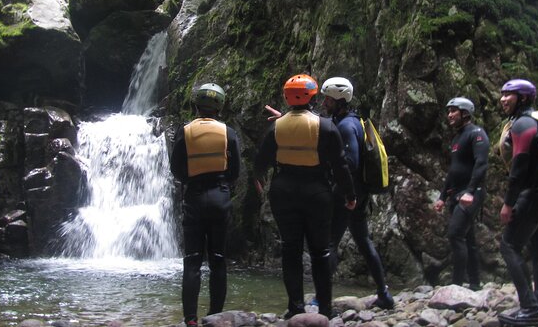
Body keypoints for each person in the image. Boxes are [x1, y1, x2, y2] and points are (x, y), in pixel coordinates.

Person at [254, 74, 356, 319]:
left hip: (283, 191)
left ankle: (295, 308)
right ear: (312, 96)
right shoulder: (325, 126)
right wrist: (350, 195)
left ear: (287, 97)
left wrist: (258, 180)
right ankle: (325, 310)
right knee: (320, 251)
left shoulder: (276, 127)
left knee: (291, 249)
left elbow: (260, 162)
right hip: (316, 192)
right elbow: (341, 166)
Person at [169, 83, 241, 326]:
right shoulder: (228, 133)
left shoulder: (184, 131)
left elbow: (176, 169)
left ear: (196, 105)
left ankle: (190, 319)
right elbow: (235, 171)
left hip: (194, 198)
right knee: (218, 259)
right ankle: (214, 316)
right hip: (220, 197)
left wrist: (191, 179)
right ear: (220, 106)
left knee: (192, 260)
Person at [321, 77, 395, 309]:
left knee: (329, 243)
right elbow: (320, 122)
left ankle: (322, 298)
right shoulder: (352, 120)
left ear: (339, 100)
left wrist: (346, 195)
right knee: (363, 241)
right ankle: (384, 293)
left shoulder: (345, 126)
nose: (324, 103)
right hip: (358, 193)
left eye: (328, 99)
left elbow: (350, 163)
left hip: (347, 193)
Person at [497, 79, 538, 326]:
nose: (503, 99)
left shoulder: (523, 124)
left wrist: (508, 203)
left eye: (509, 95)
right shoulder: (537, 119)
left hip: (534, 193)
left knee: (509, 246)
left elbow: (519, 168)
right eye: (502, 94)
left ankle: (530, 308)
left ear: (523, 98)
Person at [433, 97, 489, 291]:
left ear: (465, 113)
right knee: (469, 239)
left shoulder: (476, 133)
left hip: (471, 193)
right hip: (456, 193)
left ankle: (456, 285)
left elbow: (481, 164)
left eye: (453, 111)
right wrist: (442, 196)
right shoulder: (457, 138)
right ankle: (474, 284)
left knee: (455, 234)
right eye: (448, 111)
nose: (449, 115)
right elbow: (453, 169)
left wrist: (471, 191)